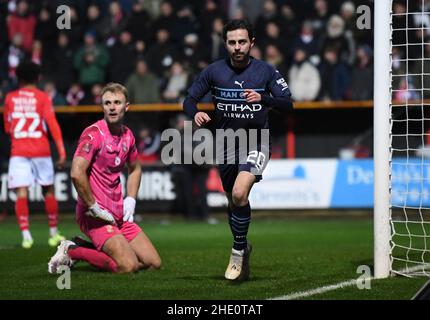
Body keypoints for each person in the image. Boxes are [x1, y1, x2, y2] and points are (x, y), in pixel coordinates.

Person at [182, 19, 293, 281]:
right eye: (232, 42)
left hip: (257, 142)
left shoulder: (266, 72)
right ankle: (244, 248)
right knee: (234, 201)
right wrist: (195, 113)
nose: (237, 47)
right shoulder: (213, 71)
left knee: (241, 192)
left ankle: (237, 250)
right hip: (226, 145)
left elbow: (288, 105)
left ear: (251, 43)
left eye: (242, 41)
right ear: (225, 44)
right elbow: (189, 99)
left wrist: (264, 98)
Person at [48, 83, 161, 274]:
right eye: (107, 102)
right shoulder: (93, 134)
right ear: (102, 106)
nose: (112, 106)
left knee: (153, 263)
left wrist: (131, 199)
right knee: (128, 266)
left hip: (117, 214)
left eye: (117, 102)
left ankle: (83, 245)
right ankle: (72, 250)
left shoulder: (127, 136)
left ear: (127, 106)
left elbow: (135, 169)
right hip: (95, 216)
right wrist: (93, 207)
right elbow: (76, 172)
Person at [3, 61, 66, 249]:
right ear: (37, 77)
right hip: (41, 150)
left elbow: (8, 128)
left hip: (19, 150)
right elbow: (52, 124)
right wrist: (61, 151)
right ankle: (53, 234)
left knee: (21, 191)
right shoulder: (43, 97)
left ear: (19, 78)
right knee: (48, 189)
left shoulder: (10, 98)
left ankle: (26, 236)